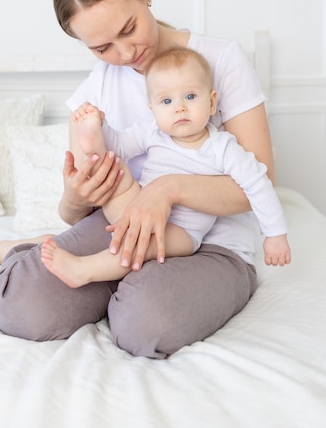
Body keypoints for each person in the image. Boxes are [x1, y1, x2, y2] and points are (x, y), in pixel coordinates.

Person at [0, 0, 281, 359]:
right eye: (103, 47)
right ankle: (39, 253)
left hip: (212, 243)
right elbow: (75, 213)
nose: (125, 54)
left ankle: (121, 283)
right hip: (118, 228)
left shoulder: (222, 61)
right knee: (22, 304)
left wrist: (167, 189)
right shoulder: (97, 88)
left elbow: (258, 183)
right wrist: (77, 195)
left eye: (129, 29)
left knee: (145, 323)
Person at [40, 47, 291, 289]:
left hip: (181, 232)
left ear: (212, 102)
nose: (179, 107)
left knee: (140, 243)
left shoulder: (221, 147)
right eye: (167, 101)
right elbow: (119, 144)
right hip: (135, 208)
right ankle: (92, 136)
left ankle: (84, 271)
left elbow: (258, 182)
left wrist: (275, 234)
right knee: (113, 164)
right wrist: (103, 129)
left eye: (190, 97)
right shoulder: (153, 133)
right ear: (153, 109)